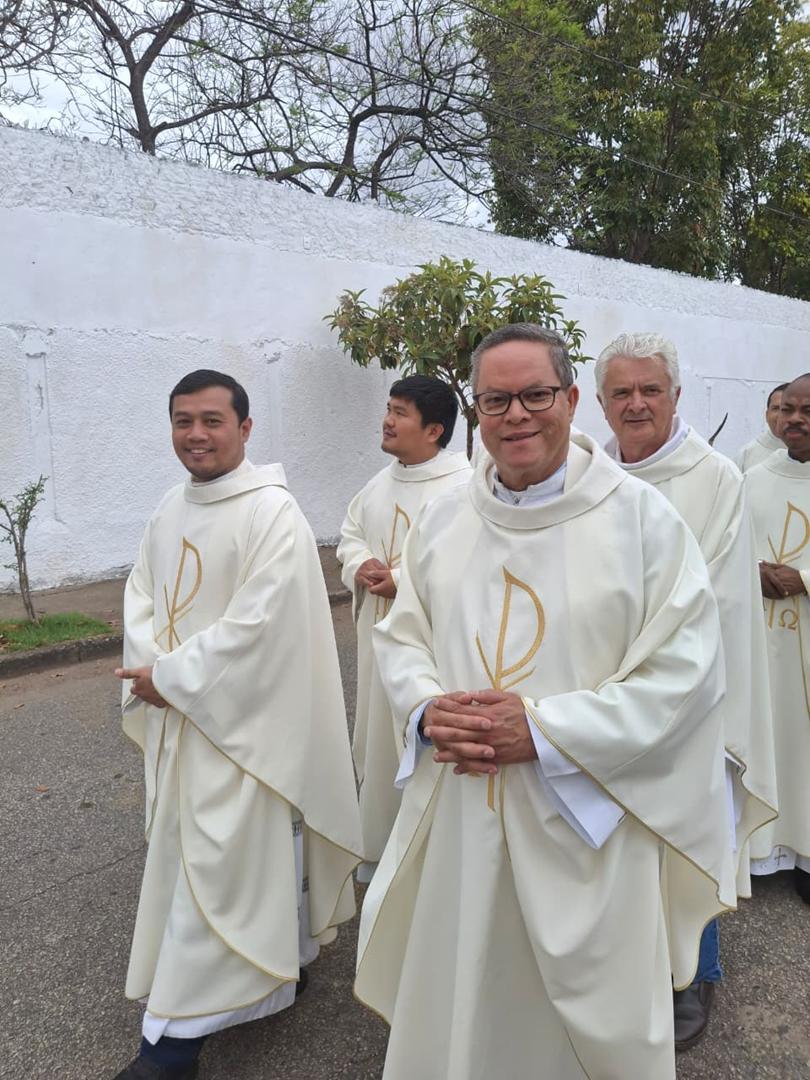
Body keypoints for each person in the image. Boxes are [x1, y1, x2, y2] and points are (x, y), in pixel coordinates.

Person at [355, 324, 735, 1080]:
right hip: (463, 810)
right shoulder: (446, 518)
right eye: (496, 400)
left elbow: (684, 672)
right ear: (476, 410)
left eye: (535, 395)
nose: (516, 415)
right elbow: (403, 636)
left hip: (586, 824)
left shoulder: (642, 521)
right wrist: (428, 711)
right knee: (468, 1002)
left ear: (570, 399)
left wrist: (545, 731)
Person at [113, 369, 361, 1079]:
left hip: (246, 729)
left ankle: (171, 1046)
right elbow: (140, 594)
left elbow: (260, 626)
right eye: (182, 421)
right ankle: (284, 968)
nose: (195, 435)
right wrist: (156, 667)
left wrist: (174, 677)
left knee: (217, 874)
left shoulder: (272, 514)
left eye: (212, 421)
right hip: (182, 718)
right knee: (226, 866)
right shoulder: (170, 506)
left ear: (245, 428)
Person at [596, 332, 778, 1051]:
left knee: (686, 835)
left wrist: (640, 669)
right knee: (611, 838)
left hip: (687, 699)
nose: (636, 404)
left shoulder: (716, 479)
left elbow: (716, 600)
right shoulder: (587, 475)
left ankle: (694, 975)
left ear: (676, 396)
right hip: (602, 698)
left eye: (651, 390)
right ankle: (622, 966)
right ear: (599, 403)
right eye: (621, 392)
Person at [337, 375, 471, 879]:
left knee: (419, 745)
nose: (387, 422)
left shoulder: (464, 489)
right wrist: (361, 565)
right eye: (388, 409)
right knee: (377, 744)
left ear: (434, 430)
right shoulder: (379, 484)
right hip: (378, 646)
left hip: (429, 652)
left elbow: (465, 561)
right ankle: (379, 854)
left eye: (400, 413)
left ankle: (426, 863)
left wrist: (400, 581)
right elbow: (350, 535)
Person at [747, 373, 810, 903]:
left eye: (807, 411)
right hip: (762, 640)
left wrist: (803, 579)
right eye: (788, 409)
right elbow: (723, 545)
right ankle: (760, 850)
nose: (795, 419)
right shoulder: (751, 478)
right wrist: (751, 572)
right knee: (767, 734)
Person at [735, 383, 787, 472]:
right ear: (766, 415)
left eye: (787, 409)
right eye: (775, 408)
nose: (780, 415)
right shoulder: (746, 455)